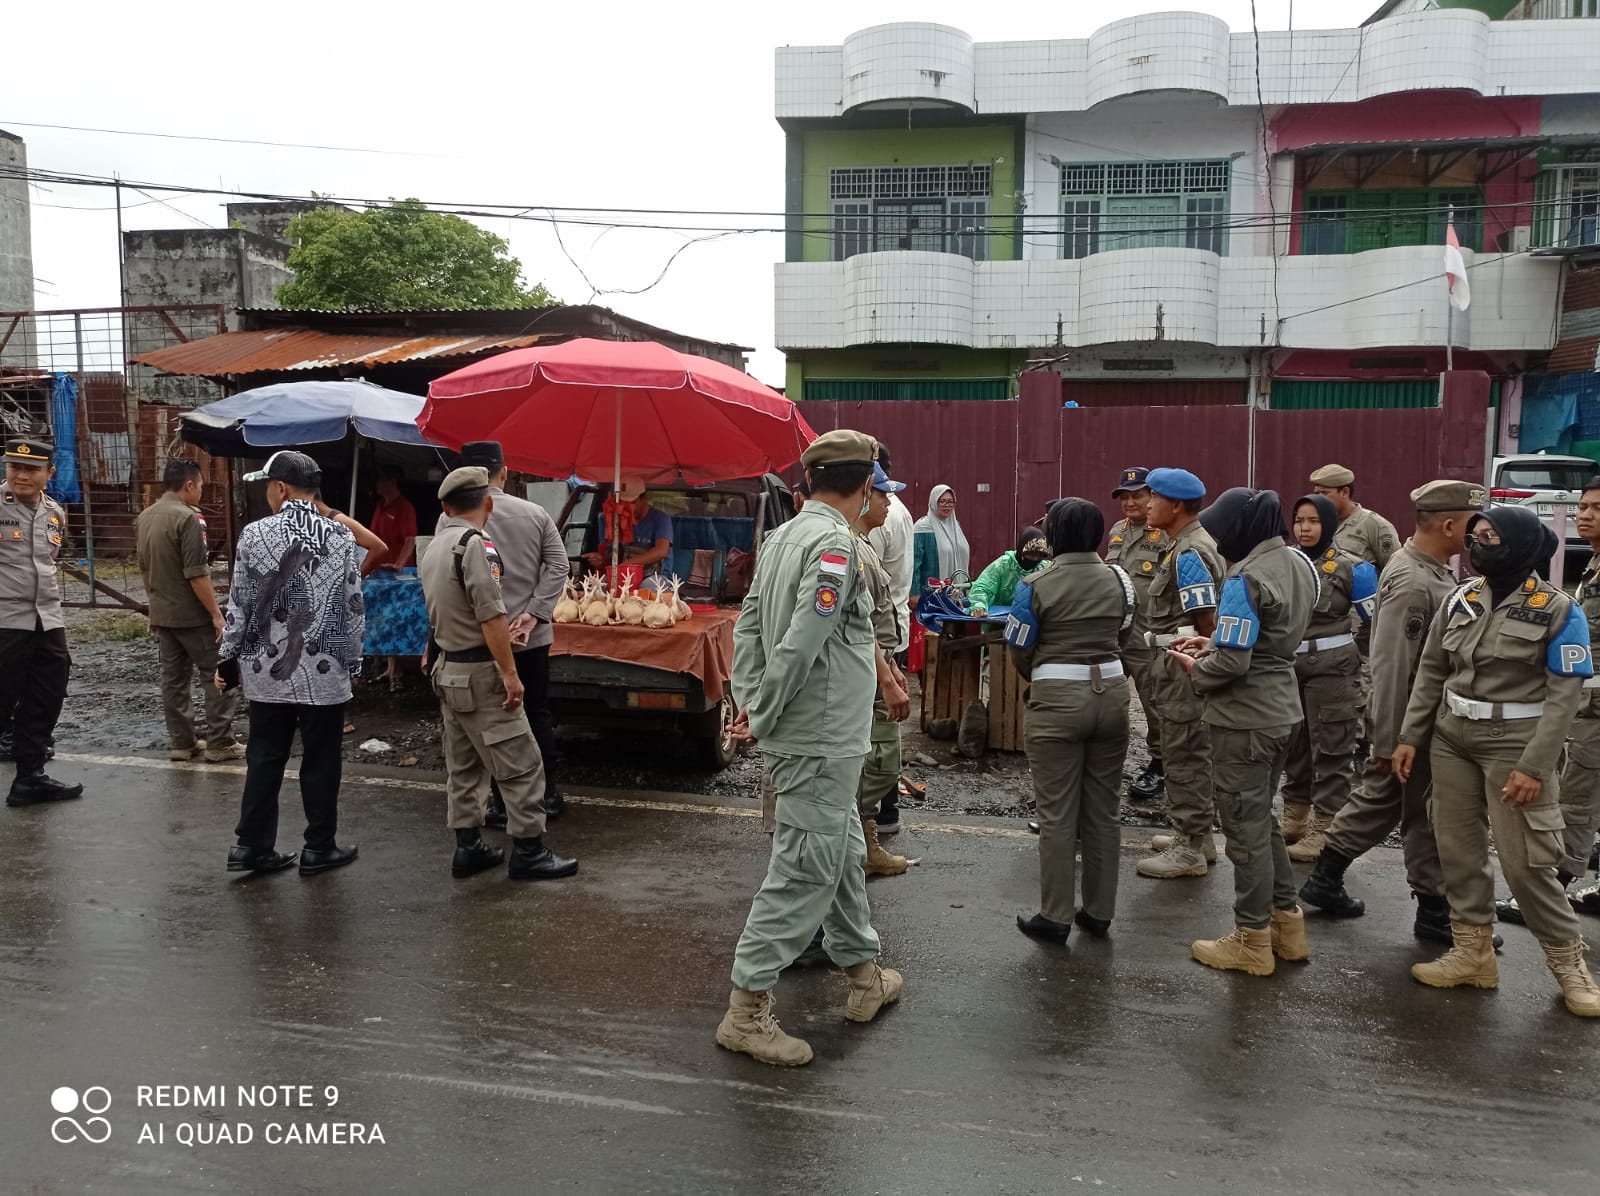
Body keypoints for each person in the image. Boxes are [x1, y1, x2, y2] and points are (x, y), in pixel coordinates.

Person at [717, 429, 902, 1068]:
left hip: (816, 732)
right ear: (867, 482)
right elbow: (803, 638)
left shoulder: (782, 538)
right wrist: (764, 710)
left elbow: (746, 624)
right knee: (805, 869)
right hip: (818, 734)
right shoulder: (834, 546)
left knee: (842, 850)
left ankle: (863, 976)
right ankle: (746, 1013)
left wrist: (749, 696)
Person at [1393, 505, 1600, 1017]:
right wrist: (1409, 736)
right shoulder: (1461, 599)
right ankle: (1472, 954)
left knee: (1527, 860)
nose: (1478, 545)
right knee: (1458, 850)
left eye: (1491, 537)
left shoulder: (1557, 609)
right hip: (1452, 738)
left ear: (1521, 546)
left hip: (1516, 743)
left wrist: (1534, 766)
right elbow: (1431, 673)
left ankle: (1570, 967)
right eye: (1476, 536)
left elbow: (1565, 697)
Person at [1298, 481, 1489, 945]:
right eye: (1471, 525)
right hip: (1412, 725)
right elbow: (1390, 663)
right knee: (1426, 812)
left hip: (1420, 723)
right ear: (1448, 525)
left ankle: (1329, 881)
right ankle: (1434, 912)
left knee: (1385, 802)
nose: (1479, 534)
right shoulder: (1411, 577)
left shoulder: (1435, 571)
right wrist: (1389, 738)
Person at [1168, 487, 1317, 976]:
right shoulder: (1297, 562)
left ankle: (1252, 939)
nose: (1216, 534)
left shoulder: (1243, 577)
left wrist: (1198, 668)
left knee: (1244, 830)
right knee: (1261, 820)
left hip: (1244, 716)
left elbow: (1232, 662)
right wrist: (1215, 638)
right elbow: (1267, 637)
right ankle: (1285, 924)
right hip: (1282, 708)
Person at [423, 466, 578, 883]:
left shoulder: (437, 545)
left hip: (449, 668)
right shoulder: (475, 546)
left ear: (445, 506)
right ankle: (528, 850)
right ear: (487, 503)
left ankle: (468, 846)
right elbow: (491, 616)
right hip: (480, 670)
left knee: (465, 765)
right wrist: (510, 673)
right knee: (521, 763)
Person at [218, 451, 363, 877]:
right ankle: (319, 847)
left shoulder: (253, 534)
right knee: (321, 759)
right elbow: (353, 607)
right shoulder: (341, 537)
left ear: (280, 488)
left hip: (266, 669)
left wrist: (228, 658)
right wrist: (352, 662)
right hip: (326, 669)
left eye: (268, 485)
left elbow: (239, 604)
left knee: (265, 755)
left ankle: (251, 846)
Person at [1008, 498, 1134, 945]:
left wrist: (1043, 678)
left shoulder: (1035, 583)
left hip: (1058, 698)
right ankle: (1099, 911)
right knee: (1103, 809)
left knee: (1058, 814)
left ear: (1055, 537)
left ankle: (1055, 914)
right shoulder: (1120, 580)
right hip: (1113, 695)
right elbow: (1127, 635)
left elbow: (1019, 648)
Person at [444, 442, 571, 826]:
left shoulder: (449, 522)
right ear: (503, 472)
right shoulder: (534, 513)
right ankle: (545, 796)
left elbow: (445, 582)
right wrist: (534, 612)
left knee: (490, 723)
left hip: (479, 642)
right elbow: (559, 564)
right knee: (535, 713)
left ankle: (499, 803)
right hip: (529, 639)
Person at [1136, 468, 1226, 880]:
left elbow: (1206, 622)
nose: (1147, 503)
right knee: (1187, 748)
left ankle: (1188, 845)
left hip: (1184, 665)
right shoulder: (1183, 546)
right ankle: (1199, 835)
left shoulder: (1189, 553)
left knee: (1184, 750)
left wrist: (1201, 671)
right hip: (1175, 660)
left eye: (1153, 497)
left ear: (1175, 505)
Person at [1279, 494, 1377, 860]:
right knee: (1295, 744)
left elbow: (1374, 623)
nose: (1305, 528)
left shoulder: (1354, 568)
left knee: (1331, 746)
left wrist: (1353, 658)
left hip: (1332, 669)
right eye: (1299, 520)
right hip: (1290, 667)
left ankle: (1326, 825)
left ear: (1329, 524)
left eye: (1313, 521)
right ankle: (1295, 815)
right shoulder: (1285, 563)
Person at [135, 457, 240, 764]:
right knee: (219, 674)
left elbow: (145, 569)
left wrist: (155, 610)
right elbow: (197, 573)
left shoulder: (145, 517)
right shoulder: (190, 519)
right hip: (193, 616)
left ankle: (182, 743)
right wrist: (216, 615)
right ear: (189, 485)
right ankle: (221, 742)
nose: (202, 494)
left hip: (164, 615)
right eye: (201, 487)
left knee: (174, 681)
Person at [1, 438, 81, 807]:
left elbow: (48, 562)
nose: (21, 475)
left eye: (32, 469)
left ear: (49, 473)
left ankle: (30, 778)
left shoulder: (55, 513)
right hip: (5, 621)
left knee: (45, 698)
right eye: (15, 466)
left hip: (47, 621)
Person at [1311, 463, 1400, 755]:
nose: (1317, 497)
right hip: (1325, 625)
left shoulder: (1373, 526)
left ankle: (1362, 748)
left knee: (1361, 686)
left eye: (1324, 492)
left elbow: (1394, 573)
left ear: (1345, 492)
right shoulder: (1319, 522)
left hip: (1362, 627)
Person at [853, 460, 914, 876]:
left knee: (878, 760)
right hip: (866, 675)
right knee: (873, 762)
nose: (889, 502)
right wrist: (886, 676)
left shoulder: (867, 544)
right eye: (881, 493)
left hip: (881, 665)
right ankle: (860, 845)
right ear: (862, 495)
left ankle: (866, 840)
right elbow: (860, 626)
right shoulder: (852, 549)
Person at [1108, 467, 1170, 803]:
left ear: (1152, 497)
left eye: (1138, 495)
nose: (1130, 502)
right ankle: (1109, 761)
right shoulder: (1117, 531)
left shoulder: (1164, 533)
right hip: (1118, 635)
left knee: (1154, 704)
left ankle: (1160, 764)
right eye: (1125, 496)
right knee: (1109, 701)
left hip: (1150, 635)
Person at [1554, 478, 1600, 917]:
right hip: (1588, 700)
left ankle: (1552, 892)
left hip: (1598, 707)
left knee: (1578, 796)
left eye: (1597, 508)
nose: (1585, 514)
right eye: (1583, 506)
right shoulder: (1594, 563)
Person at [866, 441, 916, 836]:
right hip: (890, 628)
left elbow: (866, 589)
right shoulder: (900, 511)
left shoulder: (879, 516)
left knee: (879, 728)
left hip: (879, 634)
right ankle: (885, 811)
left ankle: (881, 813)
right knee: (884, 724)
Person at [363, 467, 419, 692]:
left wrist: (400, 564)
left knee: (398, 618)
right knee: (383, 617)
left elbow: (410, 539)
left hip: (400, 574)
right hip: (380, 571)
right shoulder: (379, 507)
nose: (377, 486)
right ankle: (389, 667)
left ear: (392, 482)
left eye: (381, 481)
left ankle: (397, 670)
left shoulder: (405, 508)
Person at [967, 527, 1052, 618]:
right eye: (1031, 554)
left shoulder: (1044, 568)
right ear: (1021, 551)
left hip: (1031, 620)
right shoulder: (1003, 565)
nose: (1035, 559)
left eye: (1040, 556)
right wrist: (979, 606)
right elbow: (982, 587)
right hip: (997, 620)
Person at [912, 484, 969, 591]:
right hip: (931, 593)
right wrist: (914, 592)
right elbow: (914, 565)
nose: (946, 505)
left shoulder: (956, 526)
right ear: (933, 502)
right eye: (942, 501)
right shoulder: (922, 527)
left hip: (957, 593)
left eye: (950, 501)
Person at [610, 477, 673, 570]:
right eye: (623, 504)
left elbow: (662, 551)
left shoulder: (661, 519)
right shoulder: (620, 519)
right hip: (627, 573)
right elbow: (613, 550)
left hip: (656, 576)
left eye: (631, 503)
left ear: (643, 499)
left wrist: (628, 563)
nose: (627, 508)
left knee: (646, 585)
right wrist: (600, 559)